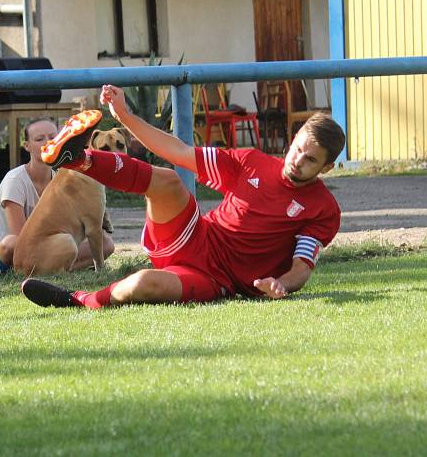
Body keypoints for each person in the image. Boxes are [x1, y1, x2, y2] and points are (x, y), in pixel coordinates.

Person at [21, 84, 346, 308]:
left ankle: (80, 300)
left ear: (327, 167)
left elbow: (303, 265)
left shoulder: (322, 209)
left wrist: (282, 285)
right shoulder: (252, 162)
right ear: (294, 139)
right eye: (298, 149)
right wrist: (125, 116)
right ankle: (78, 159)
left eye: (311, 160)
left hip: (214, 279)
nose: (298, 161)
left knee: (142, 284)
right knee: (169, 180)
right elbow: (178, 150)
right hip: (193, 236)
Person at [0, 119, 115, 276]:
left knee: (105, 243)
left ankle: (55, 268)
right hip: (8, 256)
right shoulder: (15, 181)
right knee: (11, 242)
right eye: (39, 139)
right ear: (27, 146)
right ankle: (52, 268)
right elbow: (21, 241)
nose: (48, 143)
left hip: (43, 250)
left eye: (53, 137)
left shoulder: (62, 177)